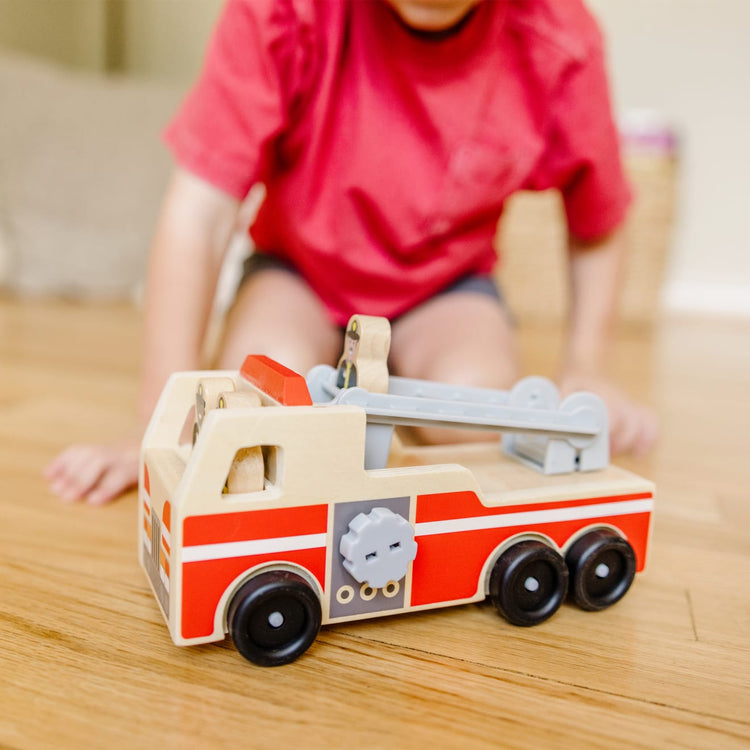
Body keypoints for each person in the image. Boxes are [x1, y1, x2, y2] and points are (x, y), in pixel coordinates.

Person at [44, 0, 658, 505]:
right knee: (256, 411)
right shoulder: (281, 12)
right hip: (299, 275)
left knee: (470, 407)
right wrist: (161, 418)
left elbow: (597, 217)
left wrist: (587, 363)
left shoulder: (560, 39)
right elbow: (199, 212)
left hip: (444, 288)